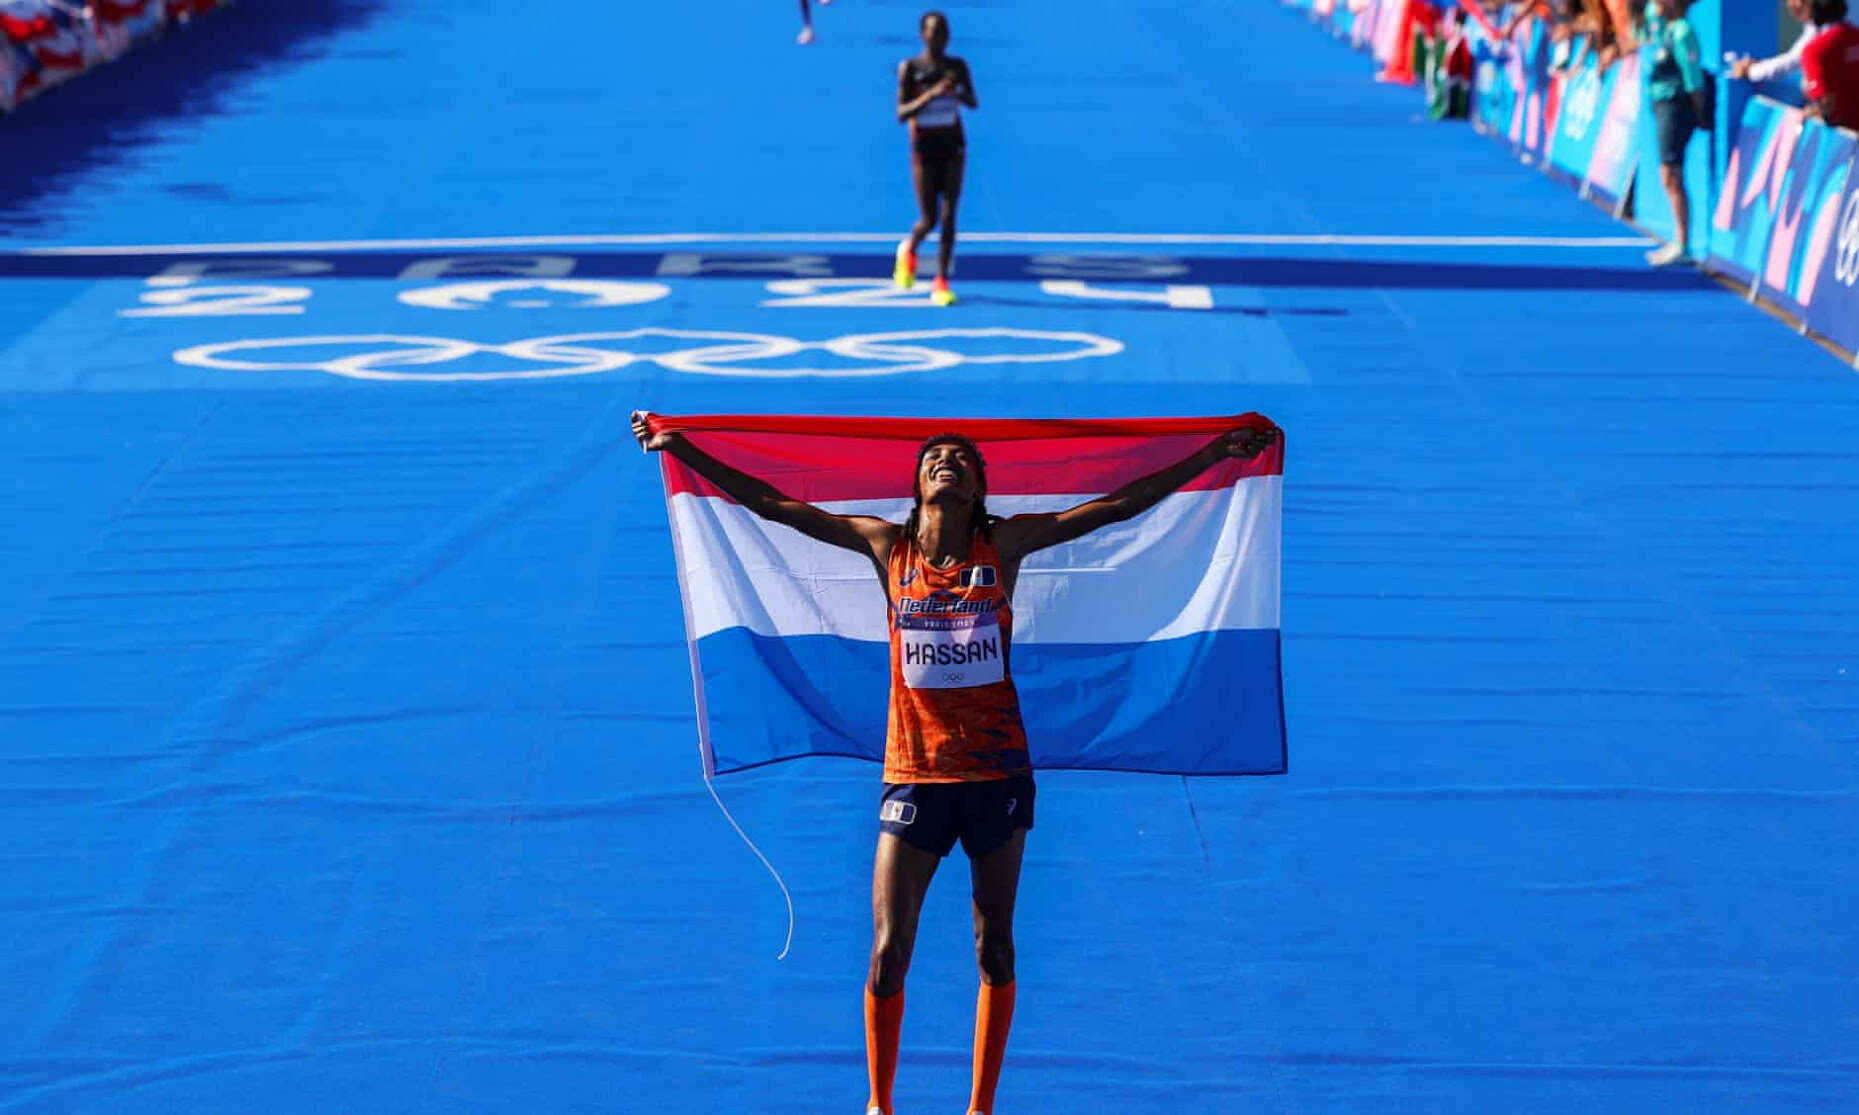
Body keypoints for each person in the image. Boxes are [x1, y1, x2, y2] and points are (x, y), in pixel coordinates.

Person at [630, 413, 1281, 1115]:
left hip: (996, 773)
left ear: (976, 488)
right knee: (888, 950)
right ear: (916, 486)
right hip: (914, 774)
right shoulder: (886, 546)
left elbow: (1117, 505)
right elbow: (775, 505)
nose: (945, 461)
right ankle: (879, 1104)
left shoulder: (1004, 544)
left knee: (994, 946)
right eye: (933, 457)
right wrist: (687, 450)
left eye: (960, 458)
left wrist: (1212, 454)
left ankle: (979, 1108)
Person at [893, 11, 977, 308]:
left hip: (953, 146)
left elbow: (973, 102)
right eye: (933, 33)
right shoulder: (910, 68)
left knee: (950, 215)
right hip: (924, 150)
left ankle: (941, 280)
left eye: (943, 33)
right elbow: (901, 114)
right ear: (923, 35)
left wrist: (957, 90)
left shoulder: (957, 66)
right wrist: (931, 95)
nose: (939, 39)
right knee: (929, 219)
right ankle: (909, 248)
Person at [1641, 0, 1706, 267]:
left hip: (1676, 107)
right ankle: (1678, 240)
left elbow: (1693, 77)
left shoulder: (1682, 31)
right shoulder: (1665, 29)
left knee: (1671, 172)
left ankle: (1682, 242)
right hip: (1661, 104)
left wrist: (1699, 112)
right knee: (1668, 173)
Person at [1728, 0, 1822, 91]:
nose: (1798, 3)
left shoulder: (1825, 28)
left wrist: (1750, 71)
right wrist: (1756, 67)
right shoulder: (1813, 26)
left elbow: (1792, 61)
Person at [1802, 0, 1859, 128]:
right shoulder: (1855, 36)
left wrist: (1809, 113)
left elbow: (1826, 106)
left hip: (1845, 135)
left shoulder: (1814, 50)